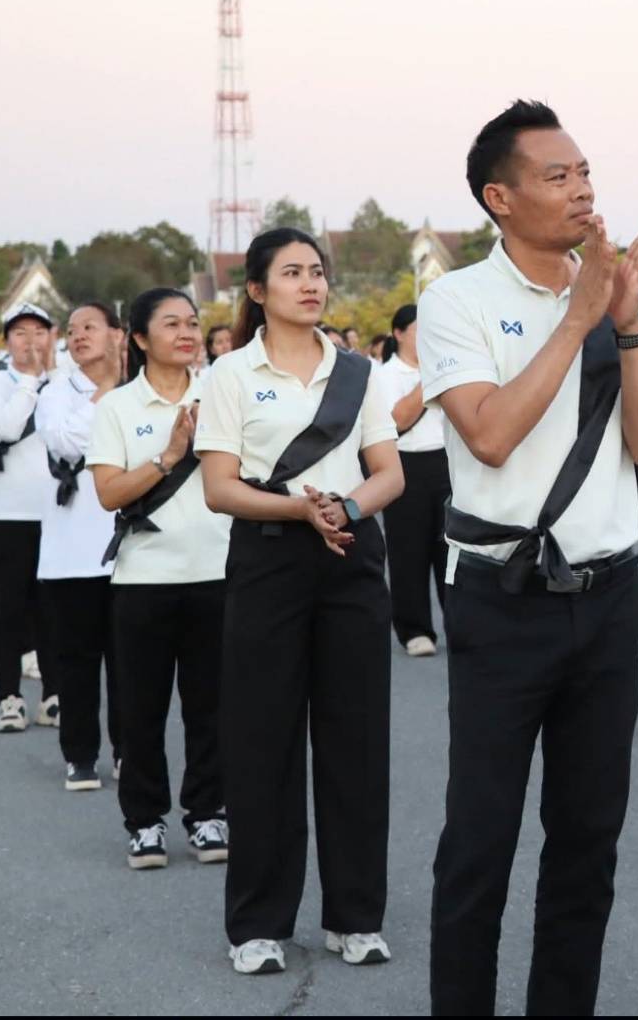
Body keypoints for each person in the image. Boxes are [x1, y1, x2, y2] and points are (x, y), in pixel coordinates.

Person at [417, 100, 638, 1016]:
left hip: (608, 596)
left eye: (585, 172)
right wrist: (578, 316)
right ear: (501, 198)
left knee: (587, 841)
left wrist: (627, 326)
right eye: (557, 176)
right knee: (480, 841)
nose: (582, 190)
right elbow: (489, 436)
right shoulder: (456, 301)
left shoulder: (614, 297)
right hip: (501, 598)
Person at [197, 227, 403, 976]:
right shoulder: (230, 373)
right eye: (292, 273)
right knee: (263, 743)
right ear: (257, 290)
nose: (311, 283)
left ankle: (356, 917)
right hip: (269, 559)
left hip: (351, 556)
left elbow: (390, 473)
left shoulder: (359, 372)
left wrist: (343, 510)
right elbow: (220, 488)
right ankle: (258, 924)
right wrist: (298, 510)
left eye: (317, 271)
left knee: (357, 742)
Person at [91, 288, 231, 871]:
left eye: (193, 322)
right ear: (141, 339)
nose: (187, 333)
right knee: (141, 709)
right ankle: (145, 822)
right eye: (171, 324)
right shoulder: (117, 407)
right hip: (144, 578)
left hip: (219, 571)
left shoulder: (223, 394)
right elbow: (108, 493)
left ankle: (208, 813)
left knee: (212, 708)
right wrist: (169, 455)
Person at [37, 302, 124, 791]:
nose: (78, 336)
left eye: (90, 327)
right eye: (71, 330)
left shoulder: (143, 386)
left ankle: (129, 750)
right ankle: (80, 754)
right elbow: (66, 443)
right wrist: (107, 391)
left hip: (130, 547)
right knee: (76, 660)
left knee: (130, 662)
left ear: (118, 334)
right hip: (71, 549)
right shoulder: (55, 390)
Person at [0, 303, 58, 733]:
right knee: (8, 609)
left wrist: (48, 377)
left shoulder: (64, 383)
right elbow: (7, 428)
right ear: (7, 341)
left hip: (57, 513)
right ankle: (9, 697)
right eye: (21, 333)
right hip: (6, 514)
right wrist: (29, 379)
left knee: (53, 610)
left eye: (39, 332)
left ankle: (53, 695)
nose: (31, 341)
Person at [376, 303, 451, 656]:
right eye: (421, 330)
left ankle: (460, 623)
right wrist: (431, 378)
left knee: (453, 550)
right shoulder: (385, 375)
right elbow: (398, 420)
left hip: (448, 462)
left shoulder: (448, 366)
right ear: (399, 333)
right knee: (409, 550)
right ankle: (415, 629)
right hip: (406, 464)